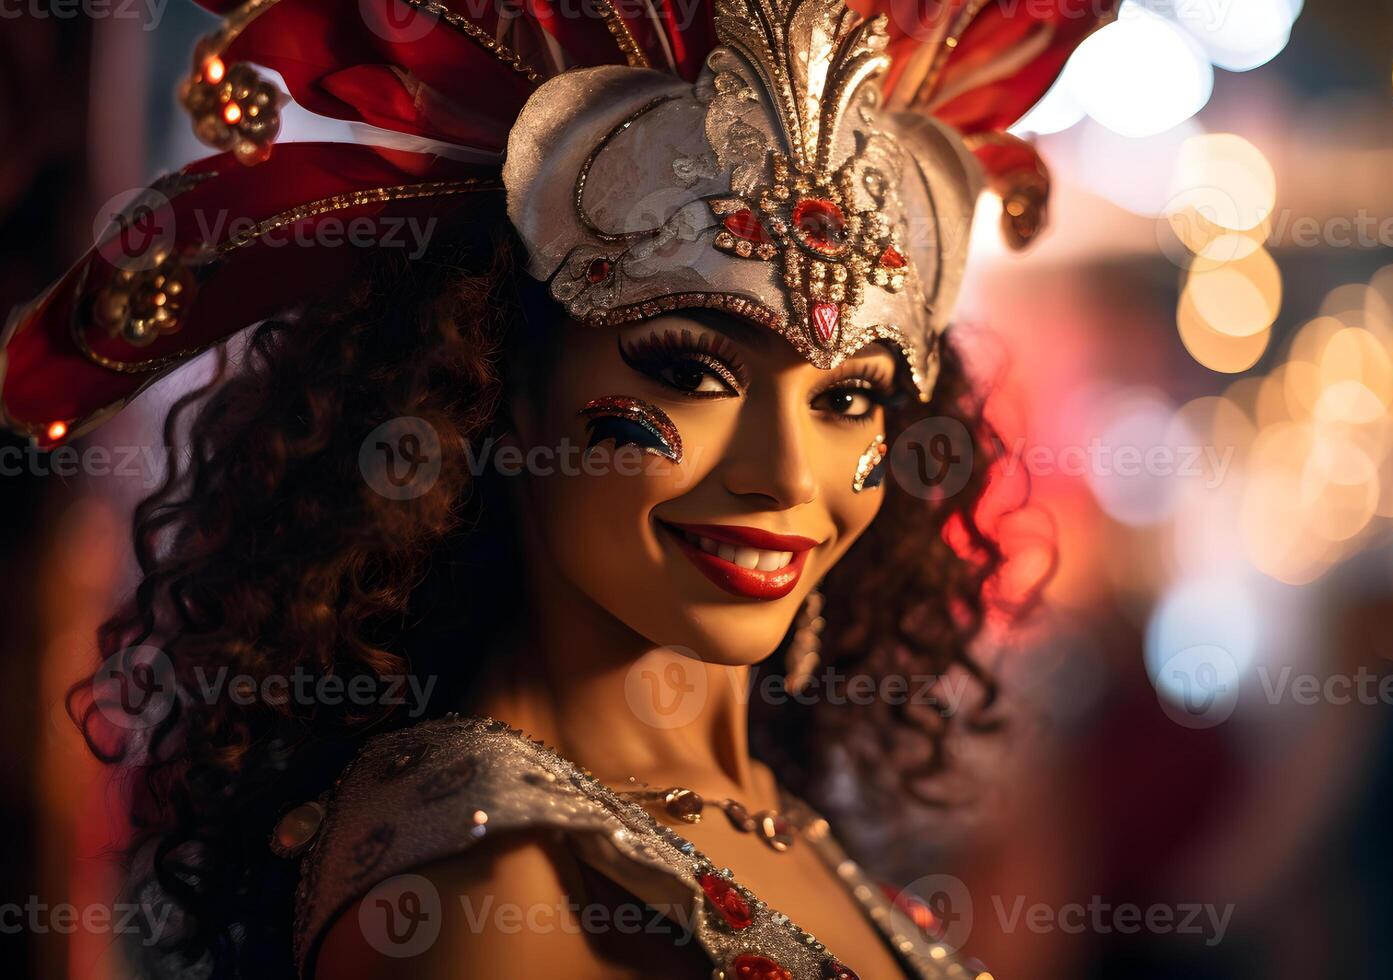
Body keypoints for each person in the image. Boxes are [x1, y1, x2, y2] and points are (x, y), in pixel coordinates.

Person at [0, 1, 1115, 976]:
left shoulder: (749, 807)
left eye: (849, 397)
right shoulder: (497, 902)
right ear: (499, 383)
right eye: (689, 370)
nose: (785, 474)